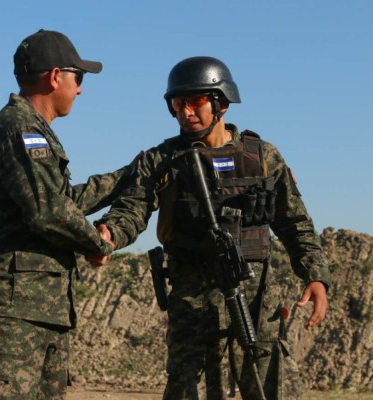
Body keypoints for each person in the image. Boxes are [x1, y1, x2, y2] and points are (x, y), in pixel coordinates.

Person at [93, 56, 332, 399]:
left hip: (255, 298)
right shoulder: (164, 160)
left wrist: (316, 275)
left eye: (195, 101)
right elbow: (132, 208)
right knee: (185, 388)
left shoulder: (262, 156)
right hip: (192, 297)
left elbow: (295, 223)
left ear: (221, 103)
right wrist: (110, 234)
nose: (185, 112)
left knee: (271, 386)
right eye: (178, 103)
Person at [0, 29, 138, 400]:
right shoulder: (19, 128)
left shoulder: (33, 132)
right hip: (9, 317)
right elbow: (48, 211)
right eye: (78, 77)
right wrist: (96, 244)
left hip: (39, 312)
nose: (81, 89)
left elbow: (61, 198)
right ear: (56, 76)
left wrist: (129, 176)